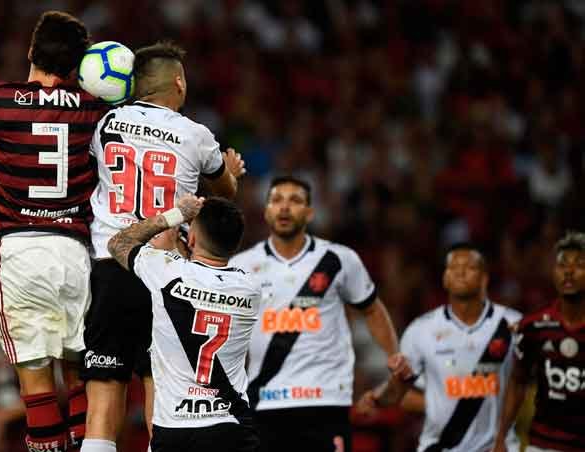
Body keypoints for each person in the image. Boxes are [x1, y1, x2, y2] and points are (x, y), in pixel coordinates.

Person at [80, 41, 245, 452]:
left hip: (111, 266)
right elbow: (225, 191)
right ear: (179, 82)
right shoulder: (196, 134)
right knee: (163, 401)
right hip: (167, 274)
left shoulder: (107, 123)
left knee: (103, 399)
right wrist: (231, 170)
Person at [0, 11, 108, 452]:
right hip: (77, 254)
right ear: (78, 65)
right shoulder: (93, 109)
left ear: (30, 52)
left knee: (35, 372)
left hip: (21, 252)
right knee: (80, 371)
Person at [229, 176, 402, 452]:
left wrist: (394, 356)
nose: (285, 208)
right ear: (266, 211)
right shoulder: (241, 266)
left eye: (295, 201)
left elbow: (371, 308)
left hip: (325, 401)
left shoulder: (339, 259)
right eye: (277, 200)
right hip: (265, 401)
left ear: (310, 212)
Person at [105, 195, 259, 452]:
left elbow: (117, 243)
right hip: (231, 425)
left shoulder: (165, 270)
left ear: (193, 238)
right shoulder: (250, 288)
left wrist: (173, 217)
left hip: (175, 429)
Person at [357, 243, 522, 452]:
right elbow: (400, 392)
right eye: (453, 268)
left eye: (470, 267)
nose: (460, 272)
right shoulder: (420, 330)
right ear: (444, 278)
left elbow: (530, 385)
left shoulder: (513, 324)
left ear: (484, 278)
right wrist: (376, 397)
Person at [491, 231, 585, 452]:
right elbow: (517, 380)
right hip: (543, 445)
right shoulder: (533, 326)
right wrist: (501, 435)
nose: (568, 272)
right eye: (562, 265)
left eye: (579, 265)